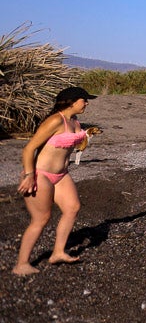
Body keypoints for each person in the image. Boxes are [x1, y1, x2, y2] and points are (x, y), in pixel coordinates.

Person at [13, 86, 101, 275]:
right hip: (40, 174)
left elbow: (76, 142)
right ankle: (21, 264)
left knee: (72, 208)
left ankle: (58, 252)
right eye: (84, 100)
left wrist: (87, 135)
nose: (86, 103)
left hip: (61, 175)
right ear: (72, 101)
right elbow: (29, 149)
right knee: (41, 218)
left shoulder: (75, 121)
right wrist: (29, 175)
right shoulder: (55, 120)